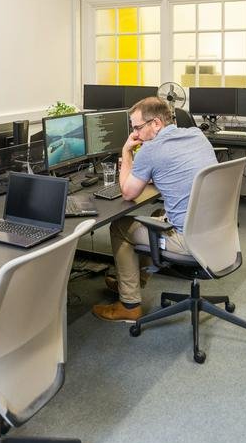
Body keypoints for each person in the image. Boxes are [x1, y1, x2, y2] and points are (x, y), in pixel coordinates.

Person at [92, 97, 218, 322]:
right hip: (216, 231)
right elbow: (174, 170)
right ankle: (133, 278)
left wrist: (127, 152)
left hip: (187, 240)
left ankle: (129, 305)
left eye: (138, 128)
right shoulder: (196, 135)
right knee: (154, 216)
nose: (136, 135)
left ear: (157, 124)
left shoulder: (150, 150)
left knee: (120, 227)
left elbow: (128, 192)